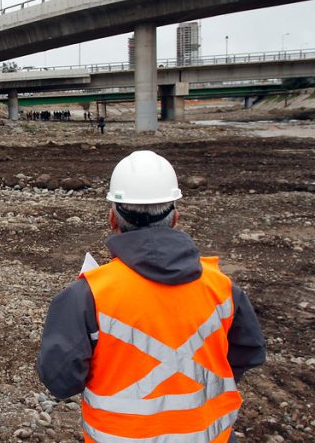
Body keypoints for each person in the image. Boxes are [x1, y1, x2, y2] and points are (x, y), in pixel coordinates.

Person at [37, 150, 265, 442]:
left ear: (112, 218)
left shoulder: (87, 296)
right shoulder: (221, 288)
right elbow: (249, 351)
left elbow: (61, 380)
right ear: (175, 218)